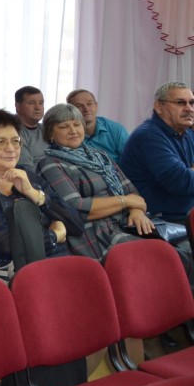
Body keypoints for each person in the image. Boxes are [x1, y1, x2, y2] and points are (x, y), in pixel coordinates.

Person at [37, 104, 193, 270]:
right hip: (98, 233)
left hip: (128, 223)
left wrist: (137, 211)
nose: (73, 131)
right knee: (170, 259)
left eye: (77, 124)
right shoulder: (50, 164)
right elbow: (75, 208)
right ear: (50, 133)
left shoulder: (99, 155)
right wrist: (126, 201)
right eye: (64, 127)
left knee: (186, 250)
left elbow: (132, 191)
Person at [0, 110, 82, 272]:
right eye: (1, 142)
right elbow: (7, 246)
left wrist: (36, 195)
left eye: (15, 141)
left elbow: (76, 224)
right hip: (8, 275)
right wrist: (55, 235)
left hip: (54, 263)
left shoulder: (25, 175)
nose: (11, 149)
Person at [119, 82, 194, 223]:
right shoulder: (148, 136)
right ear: (159, 106)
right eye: (180, 103)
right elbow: (180, 182)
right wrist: (187, 173)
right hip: (163, 221)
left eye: (192, 103)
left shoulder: (187, 134)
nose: (189, 109)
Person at [66, 89, 129, 164]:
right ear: (70, 111)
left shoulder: (116, 129)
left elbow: (130, 160)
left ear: (96, 106)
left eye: (89, 104)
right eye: (79, 106)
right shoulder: (66, 133)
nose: (86, 109)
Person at [15, 85, 48, 171]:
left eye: (41, 103)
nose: (38, 108)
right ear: (17, 106)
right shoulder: (13, 131)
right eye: (32, 103)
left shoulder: (47, 128)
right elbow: (26, 168)